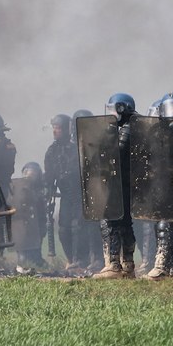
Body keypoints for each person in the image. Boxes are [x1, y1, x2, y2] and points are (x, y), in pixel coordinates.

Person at [145, 92, 173, 280]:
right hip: (161, 182)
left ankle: (162, 265)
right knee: (168, 225)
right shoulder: (156, 133)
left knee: (166, 221)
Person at [93, 94, 137, 279]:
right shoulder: (129, 126)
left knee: (111, 221)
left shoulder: (128, 128)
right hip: (122, 183)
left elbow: (116, 150)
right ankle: (127, 265)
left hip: (122, 183)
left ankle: (114, 265)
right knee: (125, 223)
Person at [44, 113, 83, 271]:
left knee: (79, 228)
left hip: (81, 196)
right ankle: (71, 259)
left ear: (67, 129)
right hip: (66, 196)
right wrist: (47, 192)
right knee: (63, 230)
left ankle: (80, 260)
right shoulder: (52, 151)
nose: (55, 131)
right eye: (54, 127)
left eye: (58, 128)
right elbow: (49, 176)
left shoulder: (76, 148)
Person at [71, 109, 103, 271]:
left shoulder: (98, 145)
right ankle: (80, 259)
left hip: (96, 191)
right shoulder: (69, 147)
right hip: (77, 193)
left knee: (94, 227)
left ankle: (97, 259)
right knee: (79, 226)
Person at [11, 161, 47, 269]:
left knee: (36, 243)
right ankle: (23, 261)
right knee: (23, 253)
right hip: (21, 221)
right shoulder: (17, 186)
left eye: (34, 173)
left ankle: (36, 258)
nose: (29, 175)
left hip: (36, 222)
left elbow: (41, 210)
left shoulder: (39, 189)